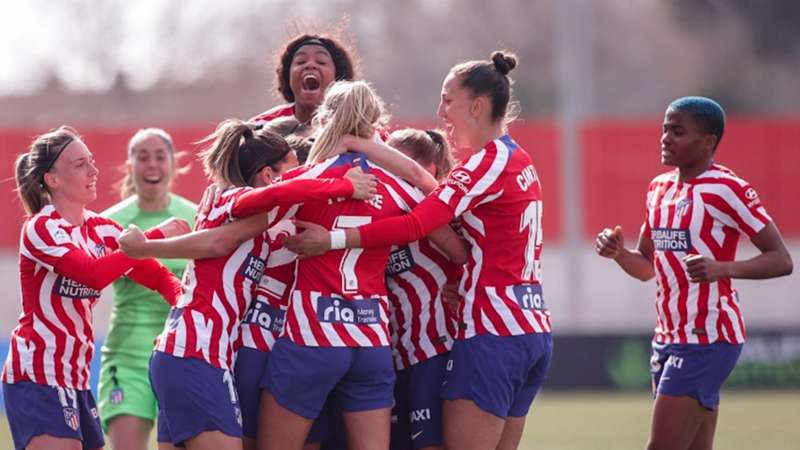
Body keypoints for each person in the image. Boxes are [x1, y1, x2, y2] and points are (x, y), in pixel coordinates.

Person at [286, 51, 553, 450]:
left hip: (493, 332)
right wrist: (363, 142)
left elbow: (416, 222)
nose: (440, 111)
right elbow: (423, 183)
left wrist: (334, 240)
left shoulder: (486, 164)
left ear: (477, 106)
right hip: (530, 327)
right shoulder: (517, 157)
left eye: (448, 100)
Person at [117, 120, 376, 450]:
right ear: (268, 175)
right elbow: (224, 237)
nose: (299, 176)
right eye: (293, 170)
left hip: (198, 354)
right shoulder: (231, 199)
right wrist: (342, 186)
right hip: (194, 354)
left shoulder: (260, 217)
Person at [255, 80, 465, 450]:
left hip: (312, 337)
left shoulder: (307, 180)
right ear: (374, 124)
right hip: (370, 340)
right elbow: (455, 247)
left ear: (324, 121)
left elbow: (245, 225)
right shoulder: (400, 187)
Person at [593, 96, 793, 450]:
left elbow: (781, 259)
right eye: (665, 129)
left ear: (708, 142)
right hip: (667, 337)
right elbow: (645, 267)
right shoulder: (659, 189)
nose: (665, 138)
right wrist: (618, 253)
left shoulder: (727, 189)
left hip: (709, 337)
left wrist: (722, 269)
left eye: (678, 131)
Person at [2, 126, 185, 450]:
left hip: (75, 377)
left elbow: (156, 276)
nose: (93, 170)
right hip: (39, 375)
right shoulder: (42, 227)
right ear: (52, 179)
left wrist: (184, 305)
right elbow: (91, 274)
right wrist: (153, 236)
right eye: (80, 164)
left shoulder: (101, 228)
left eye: (91, 161)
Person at [97, 128, 197, 450]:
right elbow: (86, 277)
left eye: (159, 156)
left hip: (186, 353)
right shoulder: (111, 221)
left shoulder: (197, 217)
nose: (151, 165)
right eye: (142, 157)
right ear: (130, 166)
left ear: (173, 163)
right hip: (127, 356)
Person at [382, 129, 458, 450]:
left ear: (430, 171)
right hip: (398, 358)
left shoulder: (440, 213)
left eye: (397, 166)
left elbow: (474, 254)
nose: (387, 175)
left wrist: (465, 284)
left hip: (436, 350)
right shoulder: (386, 209)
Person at [251, 32, 357, 126]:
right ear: (288, 76)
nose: (310, 65)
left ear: (338, 78)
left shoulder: (359, 129)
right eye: (300, 61)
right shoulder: (260, 127)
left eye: (321, 62)